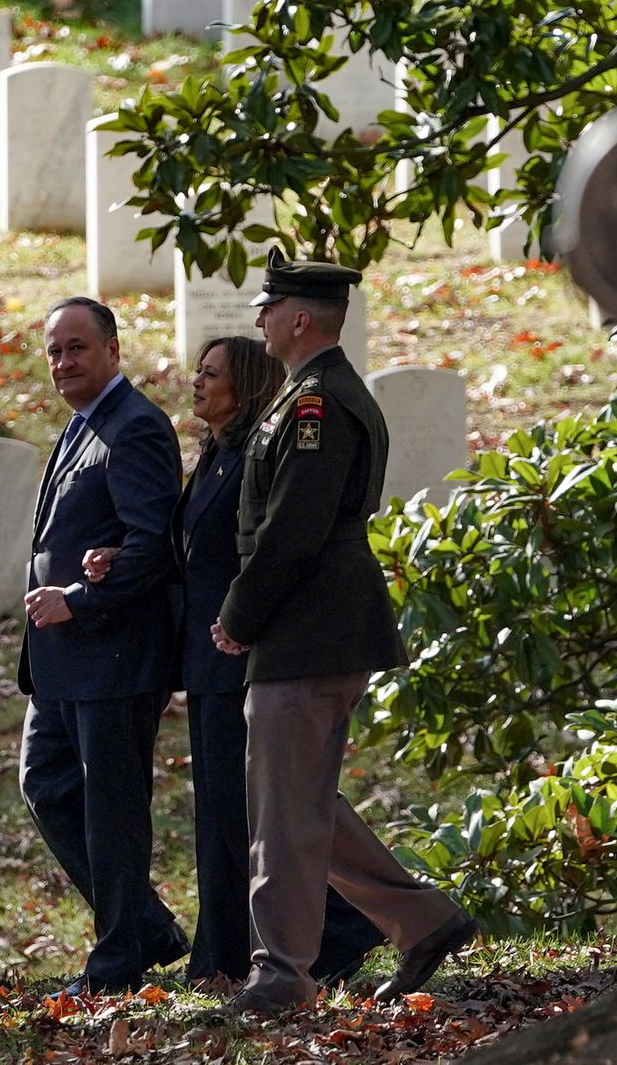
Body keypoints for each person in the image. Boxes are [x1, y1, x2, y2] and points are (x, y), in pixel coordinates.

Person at [208, 249, 478, 1015]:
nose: (258, 318)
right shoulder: (307, 394)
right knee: (299, 802)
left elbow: (294, 528)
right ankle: (423, 919)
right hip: (310, 629)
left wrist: (239, 615)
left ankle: (283, 972)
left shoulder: (319, 403)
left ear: (299, 318)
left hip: (307, 631)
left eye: (268, 306)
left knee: (282, 812)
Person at [84, 336, 386, 986]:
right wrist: (119, 560)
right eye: (197, 371)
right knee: (224, 814)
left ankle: (342, 929)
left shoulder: (256, 455)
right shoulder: (217, 454)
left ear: (244, 386)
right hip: (204, 655)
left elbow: (270, 553)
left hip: (242, 652)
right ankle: (224, 953)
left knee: (253, 811)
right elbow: (194, 548)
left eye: (211, 373)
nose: (196, 382)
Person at [17, 296, 189, 996]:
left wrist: (78, 599)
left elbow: (152, 546)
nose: (64, 362)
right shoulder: (81, 426)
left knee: (113, 812)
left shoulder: (137, 426)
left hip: (113, 655)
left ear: (114, 350)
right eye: (55, 350)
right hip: (65, 663)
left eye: (77, 347)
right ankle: (145, 928)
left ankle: (118, 962)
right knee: (47, 784)